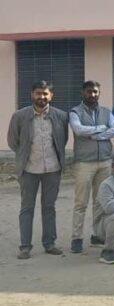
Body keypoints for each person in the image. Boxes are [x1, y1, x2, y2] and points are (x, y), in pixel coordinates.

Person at [10, 81, 69, 259]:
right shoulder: (19, 116)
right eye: (38, 93)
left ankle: (49, 243)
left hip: (53, 168)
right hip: (28, 169)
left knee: (49, 207)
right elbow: (13, 141)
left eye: (45, 93)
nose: (41, 97)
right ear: (32, 95)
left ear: (51, 96)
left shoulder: (61, 116)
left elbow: (62, 140)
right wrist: (24, 155)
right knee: (27, 207)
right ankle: (25, 247)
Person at [68, 81, 114, 254]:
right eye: (89, 91)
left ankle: (97, 235)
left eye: (95, 92)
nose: (92, 95)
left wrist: (96, 136)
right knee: (81, 202)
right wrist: (102, 128)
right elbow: (79, 130)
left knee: (100, 201)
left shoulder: (106, 111)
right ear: (83, 93)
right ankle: (76, 238)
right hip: (84, 162)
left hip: (105, 161)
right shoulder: (75, 112)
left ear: (99, 93)